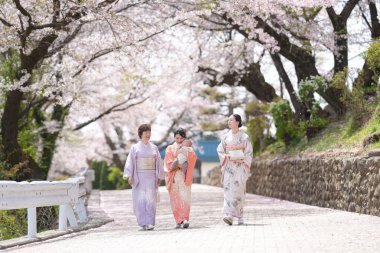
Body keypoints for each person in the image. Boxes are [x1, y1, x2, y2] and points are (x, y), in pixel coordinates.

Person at [123, 124, 164, 231]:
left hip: (151, 176)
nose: (148, 134)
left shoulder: (154, 147)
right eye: (146, 132)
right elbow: (130, 161)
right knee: (139, 200)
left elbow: (159, 162)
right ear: (140, 134)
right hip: (139, 177)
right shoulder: (135, 148)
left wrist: (159, 175)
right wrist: (130, 175)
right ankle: (142, 223)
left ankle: (150, 222)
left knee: (151, 200)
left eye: (149, 132)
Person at [217, 114, 253, 226]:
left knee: (239, 191)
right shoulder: (225, 137)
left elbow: (249, 152)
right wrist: (226, 156)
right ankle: (229, 216)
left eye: (231, 120)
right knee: (228, 191)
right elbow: (220, 150)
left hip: (240, 166)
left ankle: (240, 216)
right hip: (229, 167)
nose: (229, 122)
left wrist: (242, 160)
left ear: (237, 122)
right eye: (228, 120)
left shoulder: (244, 137)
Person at [164, 128, 197, 229]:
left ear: (184, 138)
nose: (179, 140)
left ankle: (185, 219)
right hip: (174, 176)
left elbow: (193, 158)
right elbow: (168, 161)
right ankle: (178, 220)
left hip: (183, 175)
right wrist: (178, 164)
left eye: (181, 138)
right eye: (177, 138)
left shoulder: (188, 148)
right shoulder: (170, 148)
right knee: (175, 198)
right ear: (174, 138)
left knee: (185, 197)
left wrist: (185, 160)